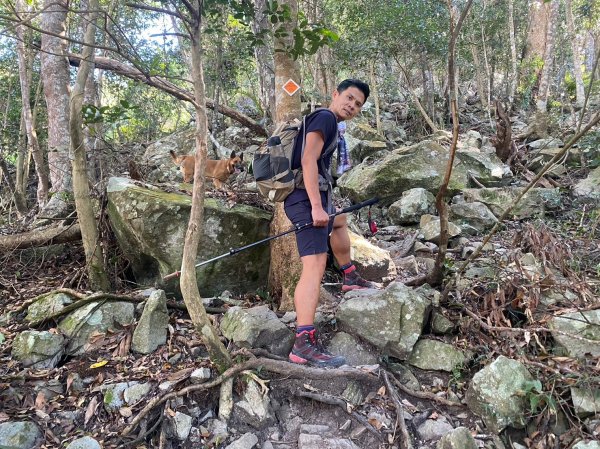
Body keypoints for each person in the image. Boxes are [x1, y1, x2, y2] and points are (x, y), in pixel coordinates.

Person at [284, 79, 378, 368]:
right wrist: (315, 206)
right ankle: (303, 343)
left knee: (340, 222)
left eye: (358, 104)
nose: (352, 105)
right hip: (303, 199)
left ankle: (349, 277)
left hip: (315, 196)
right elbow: (308, 160)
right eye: (349, 98)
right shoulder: (324, 117)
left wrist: (326, 205)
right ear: (334, 95)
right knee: (313, 266)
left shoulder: (332, 123)